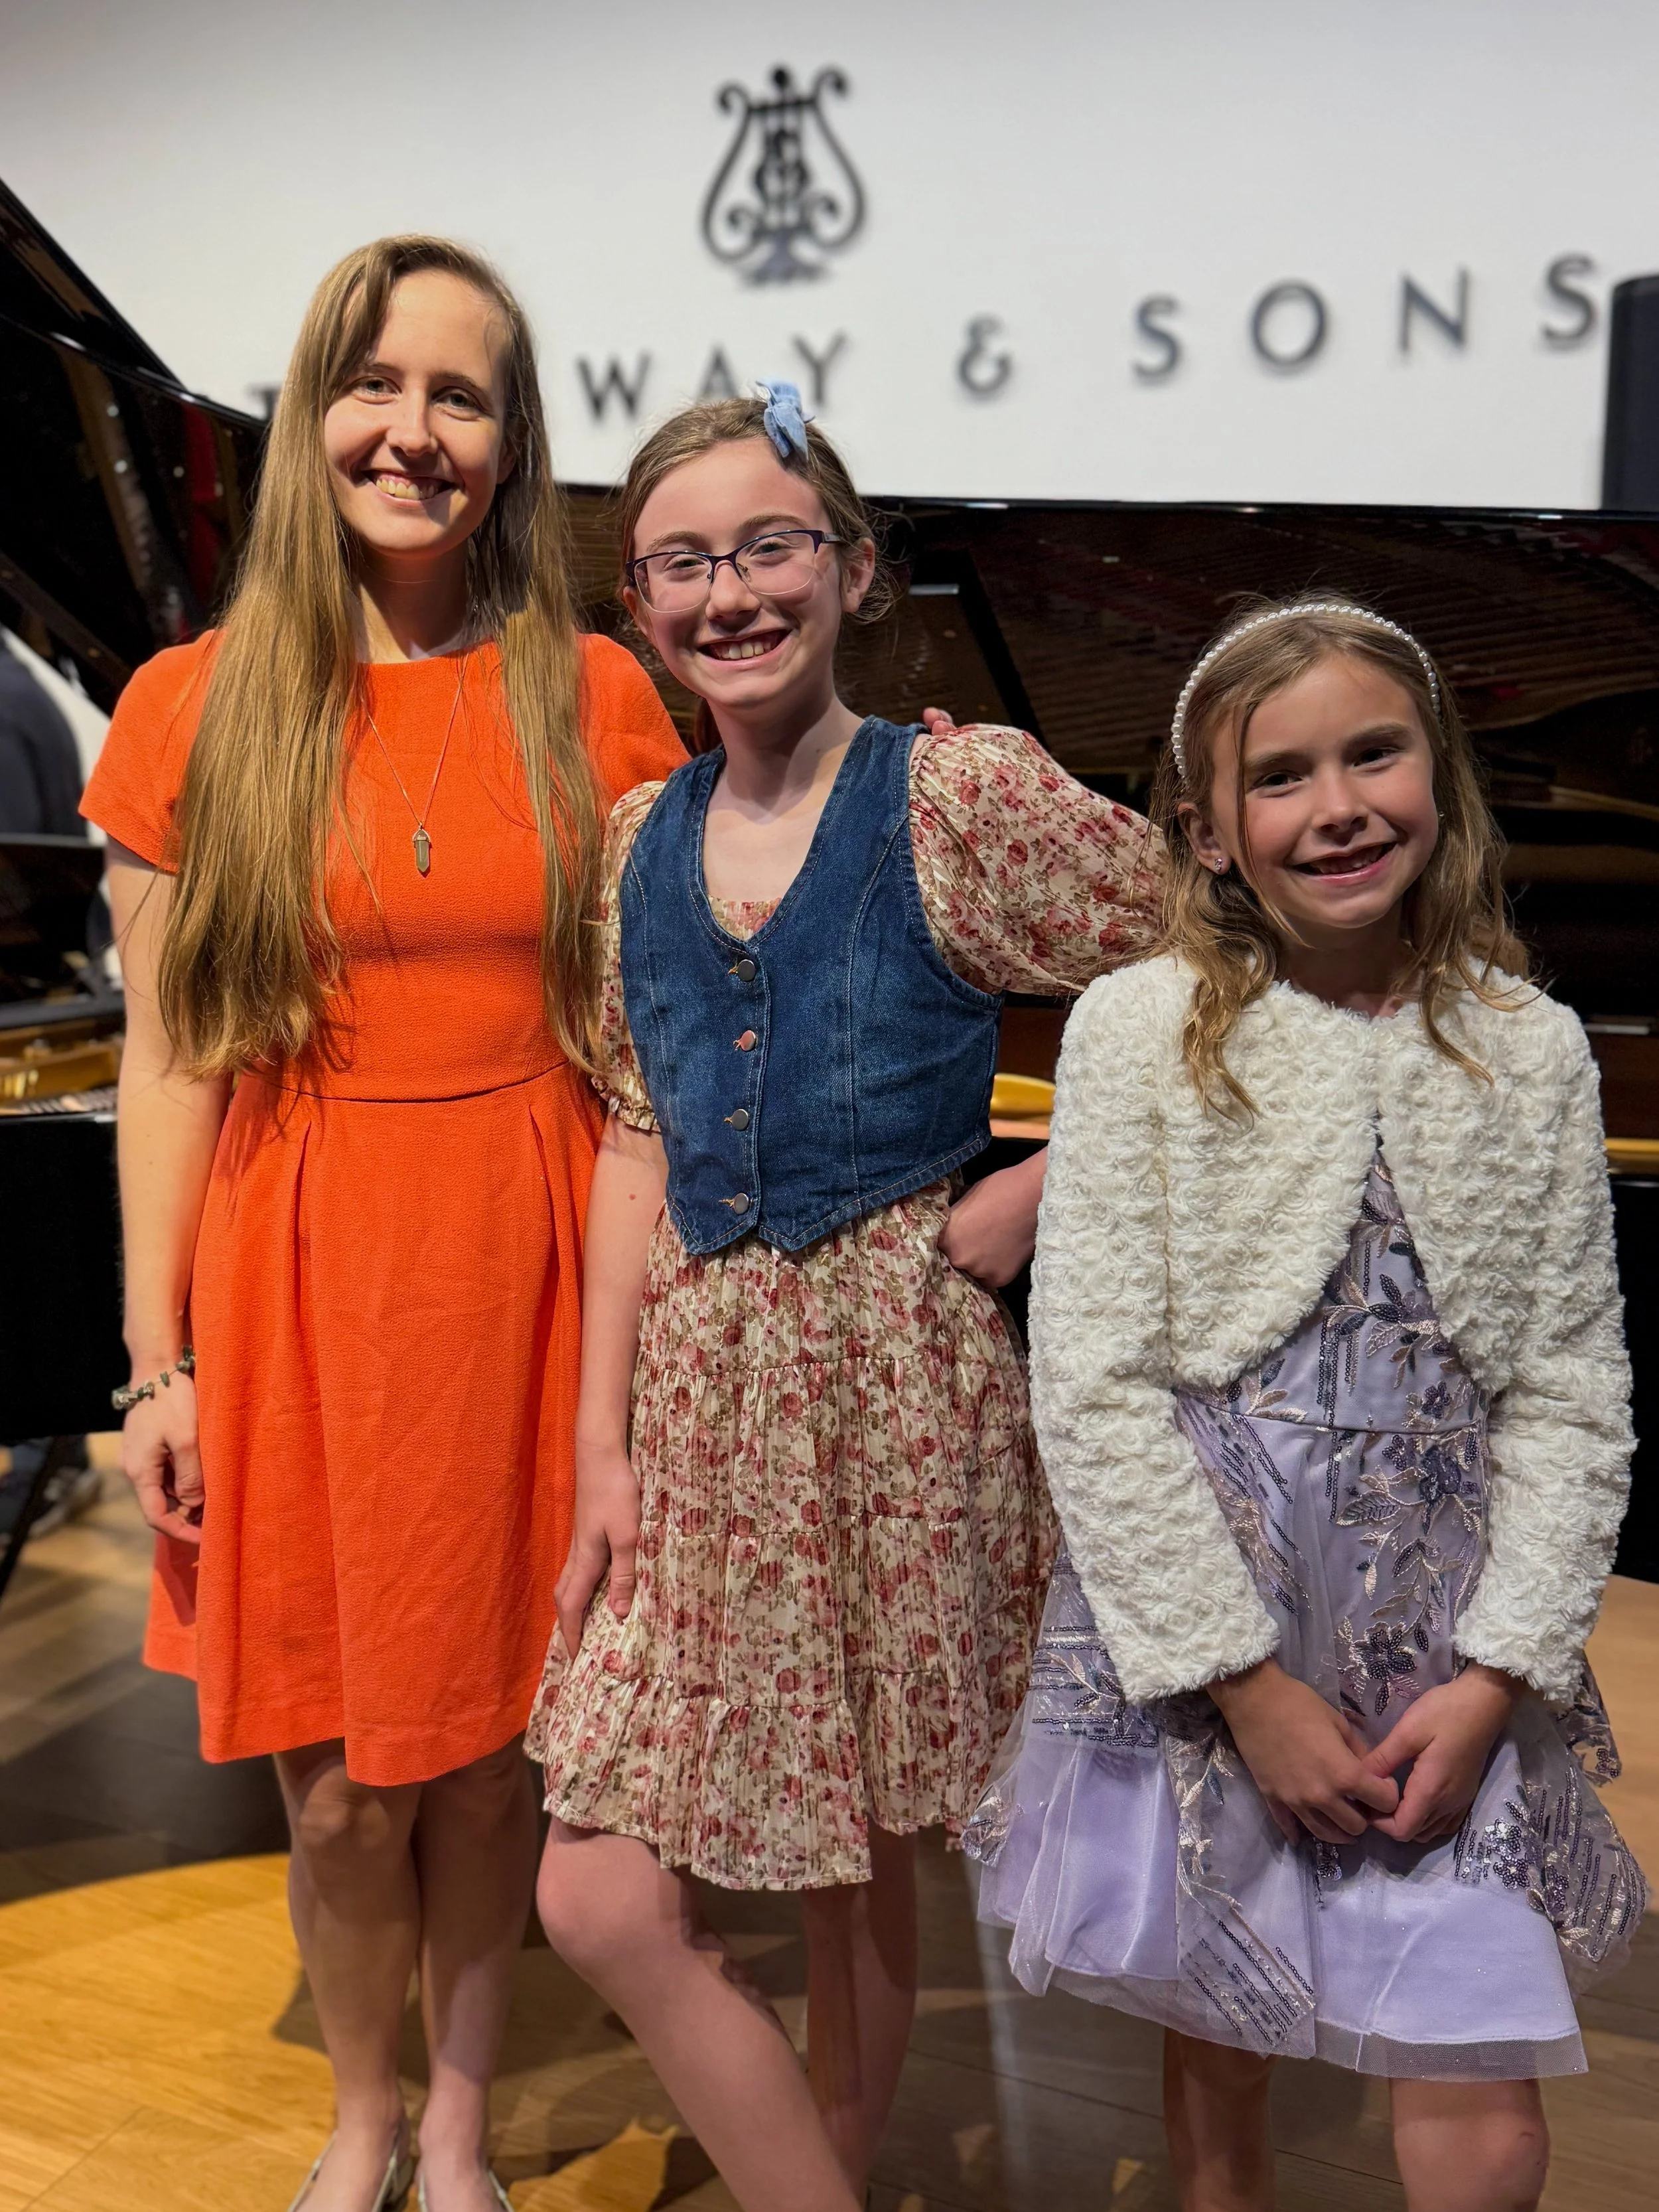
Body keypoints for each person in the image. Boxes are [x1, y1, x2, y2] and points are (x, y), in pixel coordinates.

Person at [81, 237, 684, 2212]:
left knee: (501, 1749)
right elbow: (169, 1063)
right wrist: (154, 1359)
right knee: (335, 1775)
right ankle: (358, 2107)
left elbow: (665, 1026)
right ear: (306, 415)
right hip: (296, 1267)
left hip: (520, 1260)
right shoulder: (193, 705)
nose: (413, 431)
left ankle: (454, 2109)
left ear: (513, 448)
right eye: (377, 383)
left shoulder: (592, 697)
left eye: (462, 395)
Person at [526, 383, 1163, 2211]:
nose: (730, 593)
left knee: (856, 1849)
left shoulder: (954, 793)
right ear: (638, 607)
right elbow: (635, 1146)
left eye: (769, 545)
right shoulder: (637, 838)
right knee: (597, 1884)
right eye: (681, 563)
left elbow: (1218, 965)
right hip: (704, 1386)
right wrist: (597, 1445)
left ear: (857, 567)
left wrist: (1050, 1183)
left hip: (895, 1377)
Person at [967, 598, 1647, 2212]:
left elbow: (1570, 1390)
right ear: (1207, 831)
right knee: (1221, 2017)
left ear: (1440, 774)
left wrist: (1497, 1672)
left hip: (1444, 1624)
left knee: (1474, 2045)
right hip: (1219, 1615)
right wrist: (1237, 1683)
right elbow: (1094, 1376)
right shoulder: (1138, 1032)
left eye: (1371, 753)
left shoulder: (1530, 1050)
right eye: (1278, 777)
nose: (1333, 804)